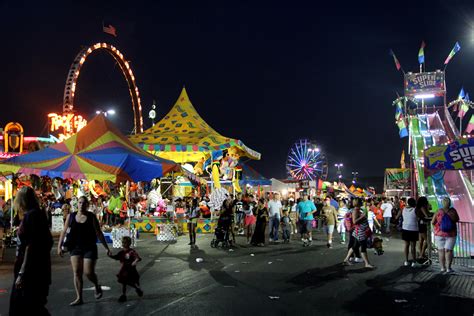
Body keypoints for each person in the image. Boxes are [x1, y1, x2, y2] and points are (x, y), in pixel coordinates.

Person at [58, 196, 111, 306]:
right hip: (75, 247)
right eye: (79, 202)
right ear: (77, 204)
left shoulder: (91, 217)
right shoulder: (71, 216)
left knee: (88, 272)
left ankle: (96, 285)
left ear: (87, 205)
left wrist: (107, 248)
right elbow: (64, 231)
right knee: (77, 272)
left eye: (83, 203)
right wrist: (59, 246)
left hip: (89, 247)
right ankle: (79, 297)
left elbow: (99, 233)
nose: (81, 205)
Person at [9, 186, 53, 316]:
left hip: (31, 272)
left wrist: (22, 273)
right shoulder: (38, 215)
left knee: (24, 307)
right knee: (34, 306)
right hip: (39, 270)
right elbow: (48, 242)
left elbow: (30, 247)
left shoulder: (31, 216)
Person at [108, 236, 143, 302]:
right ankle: (124, 295)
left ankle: (136, 289)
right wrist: (110, 256)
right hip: (124, 269)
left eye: (125, 243)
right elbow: (116, 257)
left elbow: (137, 258)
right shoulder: (121, 252)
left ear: (129, 243)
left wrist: (135, 261)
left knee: (128, 281)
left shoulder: (131, 251)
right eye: (123, 242)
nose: (123, 244)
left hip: (131, 269)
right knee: (123, 282)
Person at [343, 198, 374, 268]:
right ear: (358, 203)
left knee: (355, 246)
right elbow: (354, 221)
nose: (362, 202)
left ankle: (346, 260)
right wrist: (363, 216)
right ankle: (367, 263)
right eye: (361, 201)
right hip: (360, 232)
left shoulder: (358, 210)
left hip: (360, 231)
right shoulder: (355, 211)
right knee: (363, 247)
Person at [432, 197, 459, 273]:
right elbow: (457, 219)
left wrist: (438, 225)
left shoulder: (438, 211)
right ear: (449, 203)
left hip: (439, 234)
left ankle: (442, 268)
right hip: (451, 234)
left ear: (442, 203)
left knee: (441, 251)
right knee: (448, 251)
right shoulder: (453, 211)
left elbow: (433, 222)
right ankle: (448, 268)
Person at [396, 197, 420, 267]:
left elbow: (397, 217)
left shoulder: (403, 209)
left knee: (406, 245)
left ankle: (406, 261)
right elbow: (419, 218)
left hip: (405, 228)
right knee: (413, 246)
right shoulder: (415, 210)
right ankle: (414, 262)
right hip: (413, 229)